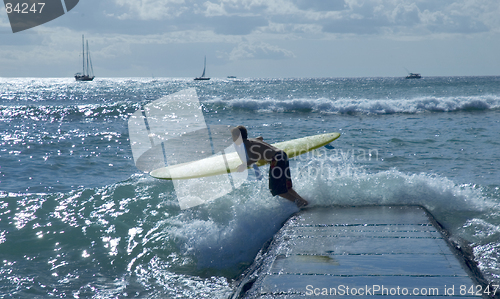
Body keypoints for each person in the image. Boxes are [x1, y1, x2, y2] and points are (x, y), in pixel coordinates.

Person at [231, 126, 308, 207]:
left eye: (232, 136)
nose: (232, 139)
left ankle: (301, 204)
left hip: (276, 160)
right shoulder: (252, 140)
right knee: (287, 187)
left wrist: (243, 166)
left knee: (278, 191)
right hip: (282, 155)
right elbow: (260, 138)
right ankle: (304, 202)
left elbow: (254, 159)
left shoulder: (245, 145)